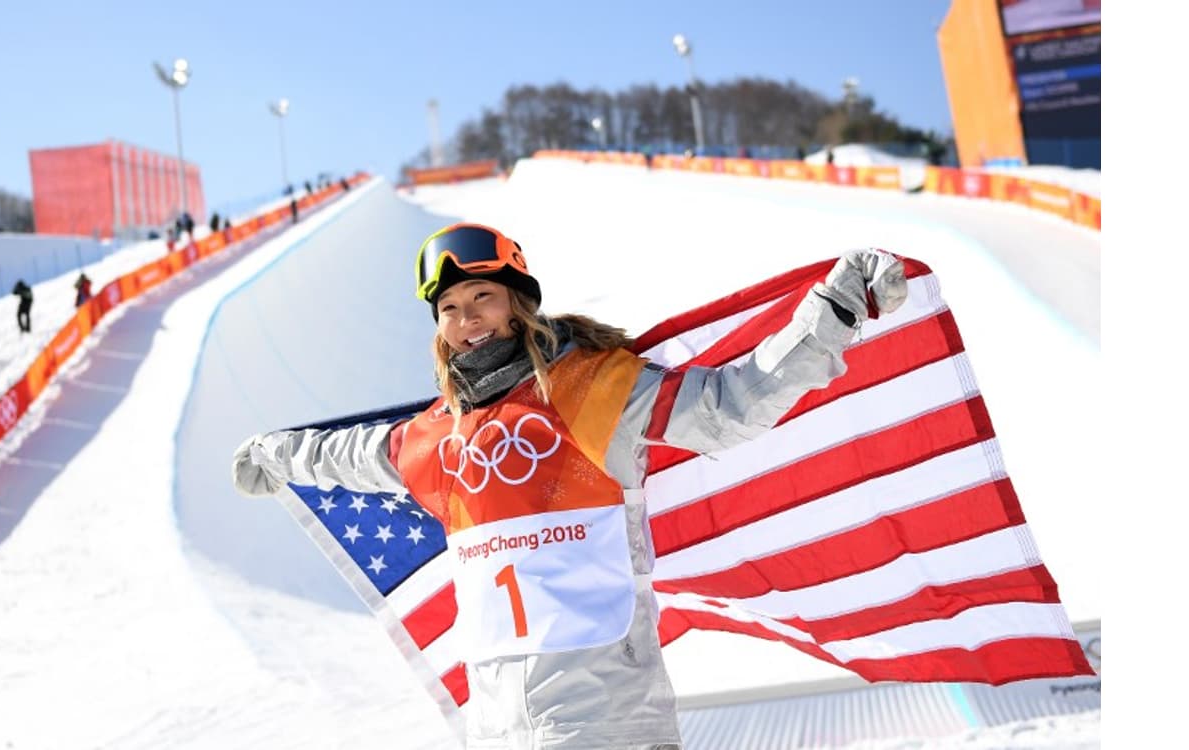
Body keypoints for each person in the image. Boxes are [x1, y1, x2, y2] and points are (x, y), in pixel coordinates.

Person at [231, 223, 908, 749]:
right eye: (450, 308)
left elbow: (729, 405)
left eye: (482, 298)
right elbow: (351, 454)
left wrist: (835, 310)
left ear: (519, 305)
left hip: (607, 726)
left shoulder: (589, 388)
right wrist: (279, 455)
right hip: (499, 734)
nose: (467, 320)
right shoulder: (436, 439)